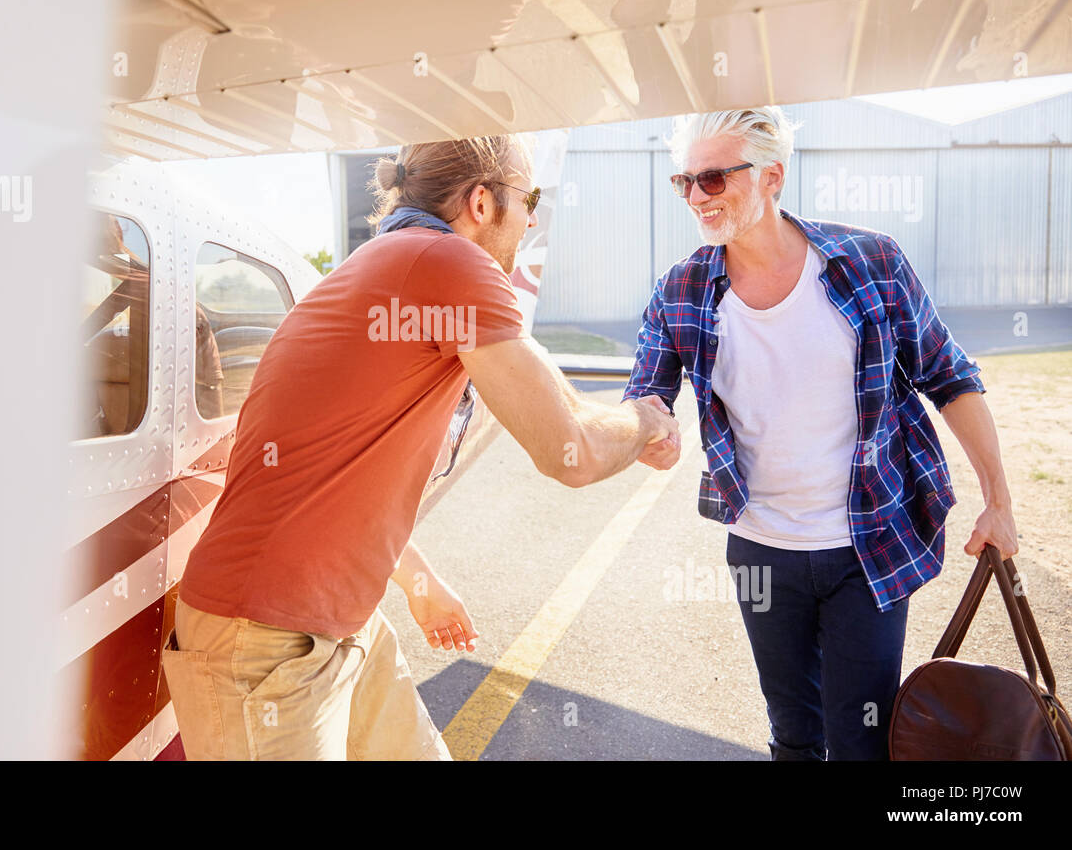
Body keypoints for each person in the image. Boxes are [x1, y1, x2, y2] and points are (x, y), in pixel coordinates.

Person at [164, 133, 679, 760]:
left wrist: (417, 578)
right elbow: (569, 450)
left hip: (337, 621)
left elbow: (334, 467)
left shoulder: (392, 262)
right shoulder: (449, 264)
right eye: (529, 197)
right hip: (267, 642)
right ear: (482, 203)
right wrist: (648, 420)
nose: (535, 216)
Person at [627, 106, 1017, 761]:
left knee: (862, 739)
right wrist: (648, 432)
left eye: (715, 179)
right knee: (794, 734)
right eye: (684, 182)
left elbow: (949, 376)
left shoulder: (871, 263)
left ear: (772, 176)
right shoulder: (684, 287)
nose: (696, 197)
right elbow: (645, 394)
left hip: (867, 548)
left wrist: (1000, 502)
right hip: (760, 551)